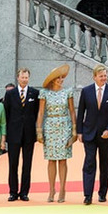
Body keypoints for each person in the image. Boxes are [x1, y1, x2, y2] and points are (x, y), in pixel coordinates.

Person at [77, 64, 108, 205]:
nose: (104, 78)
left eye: (105, 76)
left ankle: (102, 193)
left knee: (105, 165)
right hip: (89, 133)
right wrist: (79, 131)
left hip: (107, 135)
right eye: (101, 76)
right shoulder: (86, 91)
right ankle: (88, 195)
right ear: (94, 77)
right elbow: (80, 113)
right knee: (89, 163)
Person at [36, 64, 77, 203]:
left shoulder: (68, 92)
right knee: (51, 159)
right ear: (52, 80)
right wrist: (39, 130)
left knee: (63, 160)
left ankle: (63, 189)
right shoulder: (44, 93)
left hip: (64, 126)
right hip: (50, 126)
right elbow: (41, 112)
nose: (61, 79)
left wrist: (74, 130)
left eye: (62, 77)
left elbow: (72, 111)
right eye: (58, 77)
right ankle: (51, 189)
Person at [3, 67, 38, 201]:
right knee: (13, 164)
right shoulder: (10, 94)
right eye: (22, 77)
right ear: (18, 78)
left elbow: (36, 113)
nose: (24, 80)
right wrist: (5, 134)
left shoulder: (34, 93)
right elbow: (6, 113)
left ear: (29, 78)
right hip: (13, 134)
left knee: (27, 164)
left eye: (26, 77)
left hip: (29, 134)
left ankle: (24, 192)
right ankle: (13, 191)